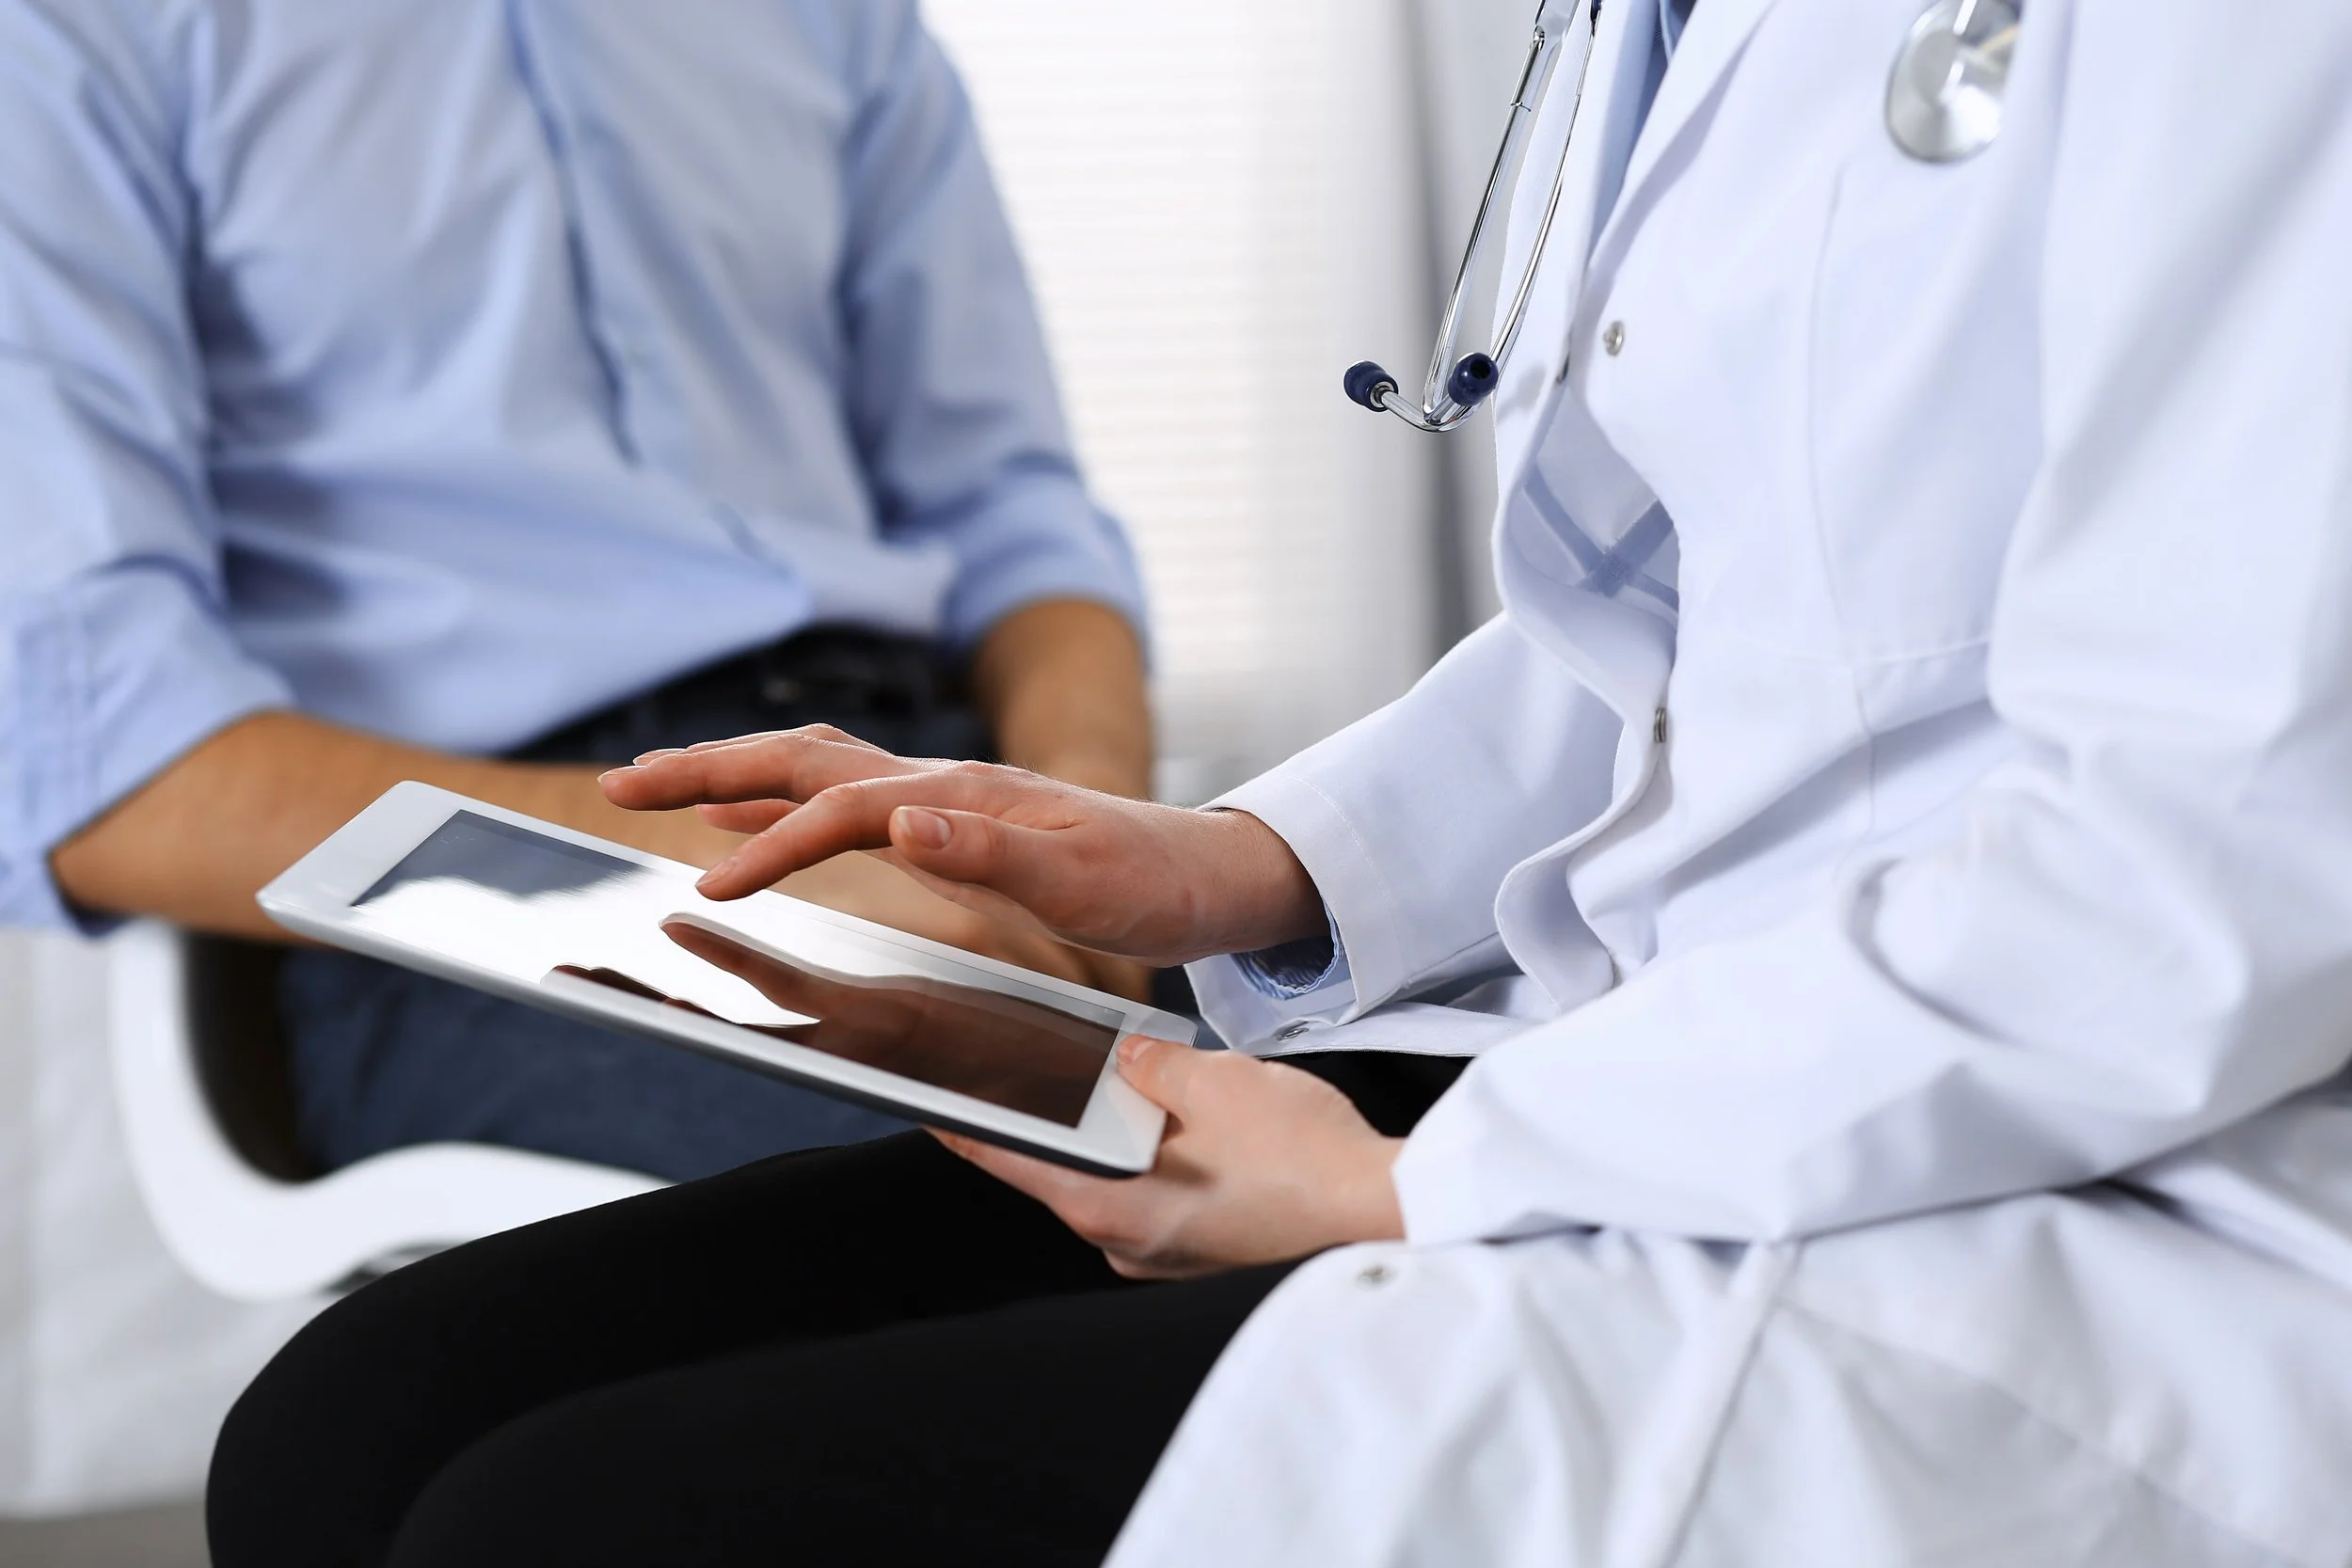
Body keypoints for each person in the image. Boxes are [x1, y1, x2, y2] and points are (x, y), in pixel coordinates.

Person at [207, 0, 2352, 1563]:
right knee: (351, 1422)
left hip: (2081, 1159)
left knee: (564, 1524)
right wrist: (1239, 860)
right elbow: (1712, 609)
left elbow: (2215, 849)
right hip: (1698, 1037)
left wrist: (1424, 1180)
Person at [0, 0, 1153, 1180]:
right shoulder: (72, 32)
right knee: (1068, 1181)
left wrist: (1080, 829)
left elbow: (1010, 515)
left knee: (1278, 1096)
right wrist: (743, 871)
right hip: (483, 893)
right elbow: (95, 763)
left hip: (915, 786)